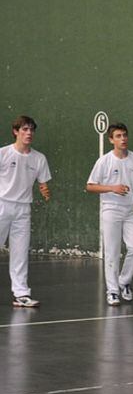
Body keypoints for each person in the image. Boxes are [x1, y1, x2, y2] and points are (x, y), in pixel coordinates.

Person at [86, 123, 133, 306]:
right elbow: (90, 186)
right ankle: (112, 291)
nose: (123, 139)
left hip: (131, 211)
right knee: (112, 252)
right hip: (111, 210)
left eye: (125, 135)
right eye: (119, 136)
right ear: (111, 140)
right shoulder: (104, 161)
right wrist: (112, 188)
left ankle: (124, 281)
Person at [0, 116, 51, 307]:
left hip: (23, 209)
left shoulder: (39, 158)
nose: (29, 133)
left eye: (31, 130)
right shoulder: (3, 153)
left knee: (20, 252)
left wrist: (45, 190)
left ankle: (21, 293)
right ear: (16, 132)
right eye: (24, 129)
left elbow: (43, 183)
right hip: (2, 205)